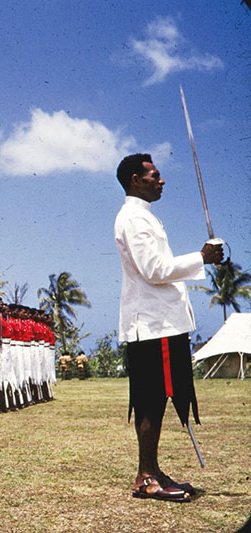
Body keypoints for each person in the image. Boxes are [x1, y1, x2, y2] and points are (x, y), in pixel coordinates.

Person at [114, 153, 223, 502]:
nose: (162, 181)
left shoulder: (144, 217)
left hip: (162, 324)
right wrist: (201, 257)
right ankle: (146, 476)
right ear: (135, 179)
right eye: (154, 176)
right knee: (151, 400)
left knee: (158, 398)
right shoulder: (133, 218)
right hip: (153, 324)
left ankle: (153, 471)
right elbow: (154, 269)